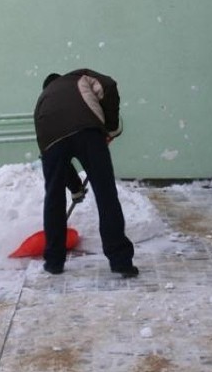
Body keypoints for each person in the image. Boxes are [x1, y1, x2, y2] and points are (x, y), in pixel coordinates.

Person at [33, 69, 138, 277]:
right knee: (105, 194)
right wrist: (110, 126)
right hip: (87, 131)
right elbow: (109, 85)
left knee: (53, 197)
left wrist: (74, 187)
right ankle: (120, 261)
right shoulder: (78, 76)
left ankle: (53, 261)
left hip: (50, 138)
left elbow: (51, 155)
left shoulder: (41, 102)